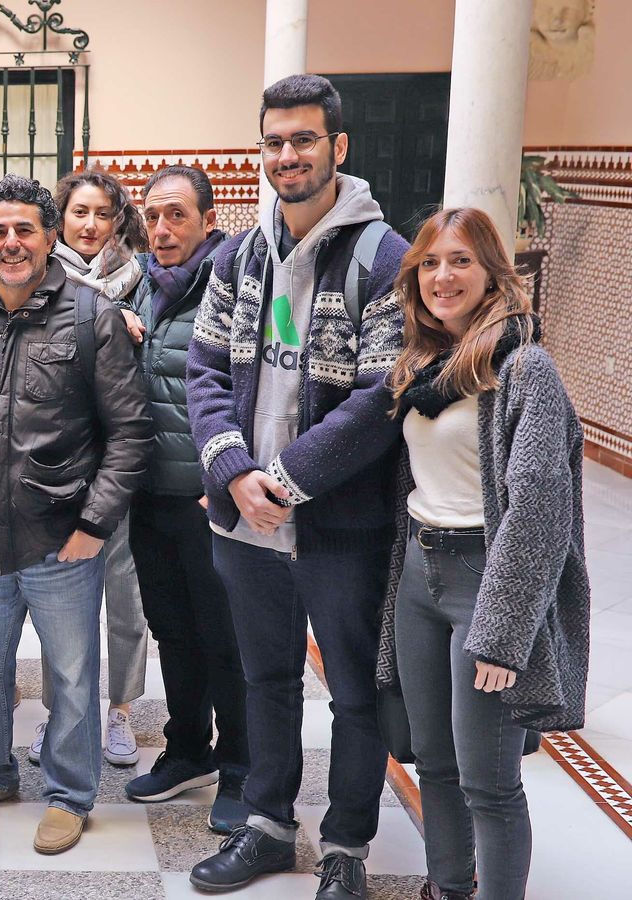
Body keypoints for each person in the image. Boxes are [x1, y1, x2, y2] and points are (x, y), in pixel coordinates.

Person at [186, 75, 409, 899]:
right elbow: (203, 366)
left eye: (304, 140)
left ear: (337, 148)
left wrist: (280, 481)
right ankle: (270, 829)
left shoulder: (385, 259)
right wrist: (233, 471)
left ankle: (345, 846)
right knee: (266, 678)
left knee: (354, 691)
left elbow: (381, 395)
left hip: (338, 524)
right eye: (274, 141)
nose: (287, 156)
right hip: (243, 519)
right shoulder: (242, 254)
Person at [0, 174, 152, 855]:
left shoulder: (92, 317)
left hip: (64, 542)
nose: (11, 242)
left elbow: (130, 433)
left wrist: (95, 524)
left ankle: (68, 791)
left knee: (72, 676)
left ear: (50, 237)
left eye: (24, 229)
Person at [378, 207, 590, 900]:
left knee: (489, 781)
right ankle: (445, 886)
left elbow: (537, 511)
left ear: (492, 272)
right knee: (431, 759)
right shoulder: (421, 364)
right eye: (431, 263)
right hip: (417, 572)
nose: (444, 276)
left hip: (486, 583)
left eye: (461, 260)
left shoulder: (526, 370)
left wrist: (505, 634)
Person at [118, 165, 249, 832]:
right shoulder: (141, 285)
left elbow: (251, 391)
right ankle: (187, 749)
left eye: (176, 215)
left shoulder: (233, 285)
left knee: (223, 638)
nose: (162, 229)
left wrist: (225, 478)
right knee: (174, 633)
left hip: (207, 501)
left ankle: (242, 768)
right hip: (150, 497)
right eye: (153, 216)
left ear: (206, 217)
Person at [31, 166, 151, 771]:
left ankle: (122, 711)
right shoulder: (37, 279)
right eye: (79, 211)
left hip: (121, 466)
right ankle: (60, 712)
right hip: (61, 464)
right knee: (62, 600)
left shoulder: (142, 280)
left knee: (125, 596)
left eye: (102, 213)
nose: (90, 224)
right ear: (61, 218)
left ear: (117, 221)